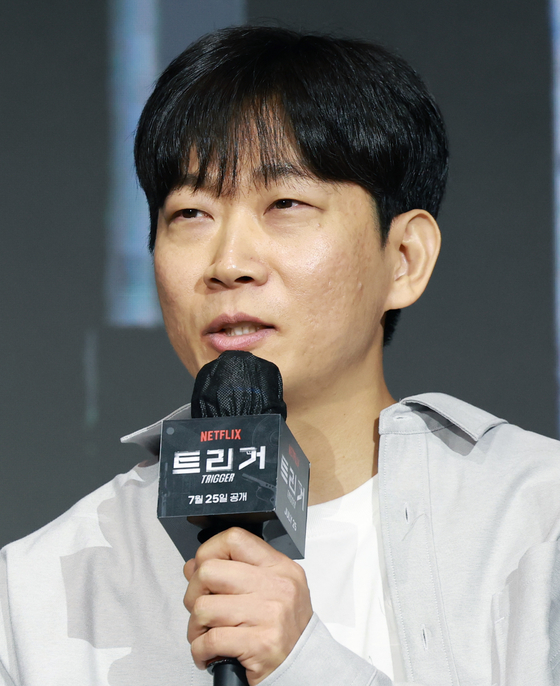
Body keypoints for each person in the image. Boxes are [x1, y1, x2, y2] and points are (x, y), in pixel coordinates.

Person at [1, 25, 559, 686]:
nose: (229, 263)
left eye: (285, 203)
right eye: (190, 213)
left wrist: (303, 665)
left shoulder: (536, 521)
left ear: (404, 258)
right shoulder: (38, 590)